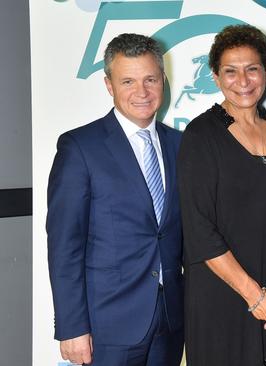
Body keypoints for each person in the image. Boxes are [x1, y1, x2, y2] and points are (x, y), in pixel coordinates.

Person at [47, 33, 184, 365]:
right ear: (109, 85)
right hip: (106, 328)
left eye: (150, 79)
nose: (142, 92)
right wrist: (71, 327)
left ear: (163, 81)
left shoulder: (181, 145)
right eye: (128, 81)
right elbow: (65, 244)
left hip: (170, 321)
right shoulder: (80, 147)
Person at [177, 24, 266, 366]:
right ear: (216, 77)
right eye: (230, 72)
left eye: (252, 69)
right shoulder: (200, 136)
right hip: (222, 297)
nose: (243, 81)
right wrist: (254, 296)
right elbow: (199, 229)